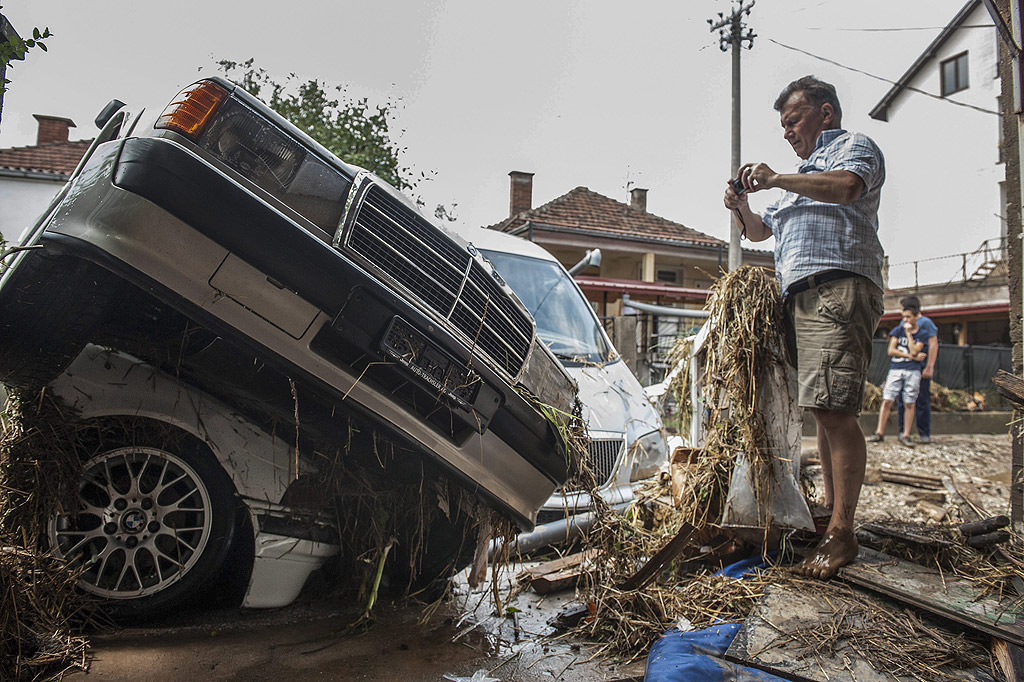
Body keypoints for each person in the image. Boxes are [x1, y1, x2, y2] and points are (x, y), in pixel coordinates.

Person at [723, 75, 885, 580]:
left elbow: (846, 188)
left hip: (837, 286)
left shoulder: (852, 150)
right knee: (820, 408)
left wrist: (774, 180)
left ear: (825, 113)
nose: (788, 133)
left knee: (835, 410)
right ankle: (832, 517)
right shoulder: (798, 179)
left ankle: (842, 533)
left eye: (793, 121)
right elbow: (759, 232)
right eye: (784, 126)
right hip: (801, 298)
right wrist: (742, 206)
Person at [866, 304, 930, 447]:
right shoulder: (897, 331)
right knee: (887, 399)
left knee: (909, 402)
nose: (905, 320)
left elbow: (915, 350)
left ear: (915, 317)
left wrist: (908, 335)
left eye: (908, 317)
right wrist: (910, 355)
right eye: (903, 316)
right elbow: (891, 351)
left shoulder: (922, 334)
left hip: (913, 371)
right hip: (896, 369)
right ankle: (879, 432)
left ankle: (906, 435)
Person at [896, 296, 938, 443]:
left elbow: (933, 344)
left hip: (920, 367)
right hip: (905, 366)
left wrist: (929, 366)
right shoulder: (903, 323)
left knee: (921, 399)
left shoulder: (926, 323)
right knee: (903, 399)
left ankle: (924, 433)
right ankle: (903, 432)